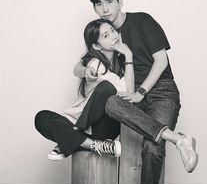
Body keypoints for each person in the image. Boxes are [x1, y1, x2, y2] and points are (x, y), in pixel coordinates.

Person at [74, 0, 198, 184]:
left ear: (120, 1)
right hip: (128, 94)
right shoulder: (103, 35)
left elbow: (161, 60)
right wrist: (85, 71)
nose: (104, 8)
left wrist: (142, 91)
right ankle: (178, 139)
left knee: (153, 147)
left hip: (161, 90)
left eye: (109, 1)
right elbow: (81, 62)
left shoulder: (143, 21)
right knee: (109, 102)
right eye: (98, 4)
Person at [35, 19, 135, 160]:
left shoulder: (122, 65)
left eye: (112, 30)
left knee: (107, 88)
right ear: (96, 46)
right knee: (42, 117)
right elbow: (79, 68)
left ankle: (70, 139)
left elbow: (129, 93)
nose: (114, 36)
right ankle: (91, 143)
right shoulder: (95, 64)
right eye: (106, 35)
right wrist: (84, 70)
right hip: (77, 121)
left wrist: (128, 56)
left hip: (103, 127)